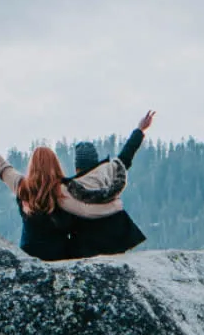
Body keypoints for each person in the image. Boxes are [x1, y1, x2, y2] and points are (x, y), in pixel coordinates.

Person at [0, 112, 154, 260]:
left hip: (29, 254)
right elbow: (123, 159)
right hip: (62, 257)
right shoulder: (63, 191)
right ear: (55, 164)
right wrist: (139, 131)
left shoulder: (22, 187)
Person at [63, 110, 154, 257]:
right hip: (116, 240)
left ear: (77, 166)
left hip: (86, 247)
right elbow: (127, 153)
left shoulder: (71, 188)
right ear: (96, 162)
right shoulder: (110, 171)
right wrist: (140, 129)